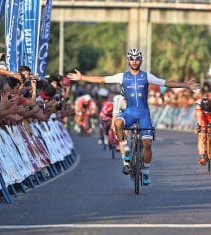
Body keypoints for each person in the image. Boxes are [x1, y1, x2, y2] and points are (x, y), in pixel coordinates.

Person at [67, 48, 200, 185]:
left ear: (141, 60)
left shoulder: (147, 76)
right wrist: (82, 77)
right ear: (128, 60)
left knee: (147, 145)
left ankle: (146, 172)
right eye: (132, 58)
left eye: (137, 59)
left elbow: (166, 83)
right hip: (129, 113)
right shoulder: (122, 76)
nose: (134, 61)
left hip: (144, 114)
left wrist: (186, 85)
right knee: (118, 123)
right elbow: (101, 79)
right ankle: (126, 149)